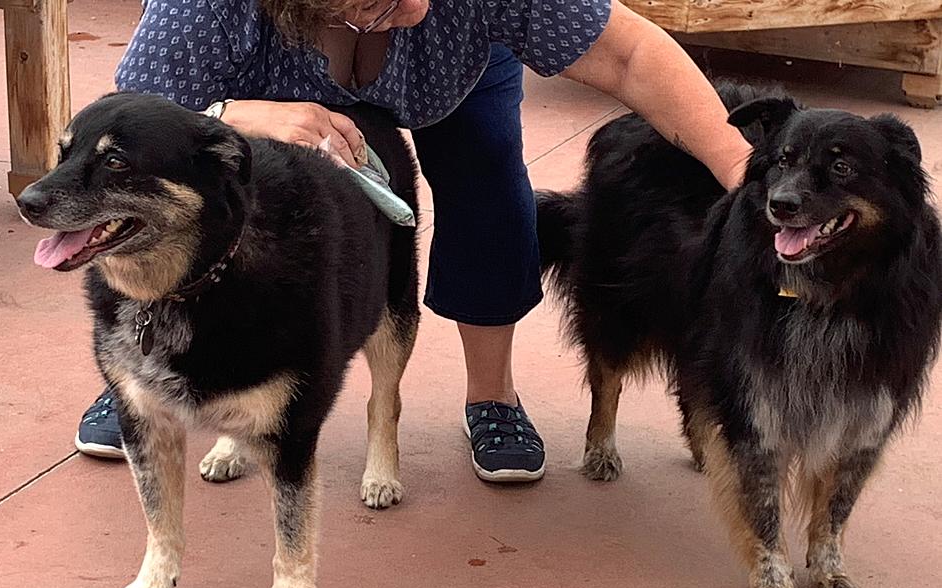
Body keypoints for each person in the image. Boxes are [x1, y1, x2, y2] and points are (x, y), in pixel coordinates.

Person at [74, 0, 752, 482]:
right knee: (186, 201)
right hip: (255, 97)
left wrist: (740, 170)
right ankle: (143, 377)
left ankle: (493, 397)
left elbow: (628, 54)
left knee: (486, 168)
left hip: (456, 76)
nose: (415, 8)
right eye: (377, 2)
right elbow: (127, 129)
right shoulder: (208, 10)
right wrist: (235, 115)